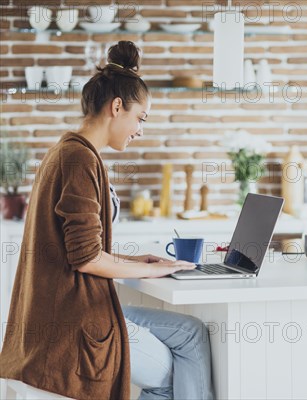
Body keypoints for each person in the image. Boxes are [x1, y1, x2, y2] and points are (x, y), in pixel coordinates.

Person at [0, 41, 214, 400]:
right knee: (174, 373)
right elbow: (85, 258)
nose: (140, 130)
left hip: (72, 308)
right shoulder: (78, 159)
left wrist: (139, 261)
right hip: (74, 323)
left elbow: (82, 249)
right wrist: (150, 271)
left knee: (191, 331)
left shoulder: (68, 150)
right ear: (117, 107)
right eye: (140, 118)